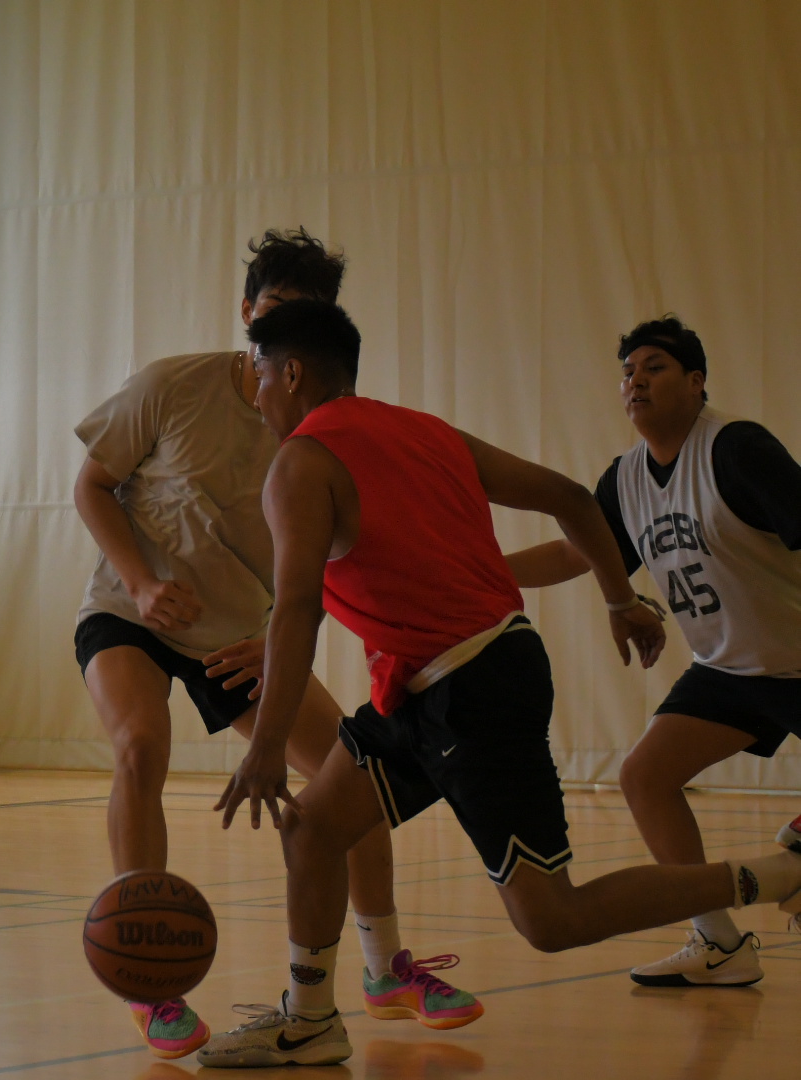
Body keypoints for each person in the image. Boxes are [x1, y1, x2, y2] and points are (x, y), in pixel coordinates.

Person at [198, 300, 801, 1069]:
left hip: (474, 683)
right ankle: (310, 1014)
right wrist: (619, 598)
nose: (255, 393)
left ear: (290, 373)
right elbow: (573, 502)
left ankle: (780, 873)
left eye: (257, 373)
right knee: (312, 827)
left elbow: (302, 612)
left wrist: (268, 743)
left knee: (552, 920)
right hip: (429, 682)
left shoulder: (299, 464)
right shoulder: (423, 429)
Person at [72, 231, 479, 1062]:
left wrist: (277, 639)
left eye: (305, 320)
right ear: (245, 313)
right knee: (140, 745)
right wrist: (143, 583)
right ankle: (152, 979)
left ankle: (384, 969)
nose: (282, 339)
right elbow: (91, 485)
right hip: (132, 613)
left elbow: (337, 559)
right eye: (271, 316)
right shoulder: (172, 385)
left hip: (243, 638)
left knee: (350, 777)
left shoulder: (331, 428)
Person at [505, 316, 801, 987]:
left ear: (696, 382)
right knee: (645, 776)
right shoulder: (627, 479)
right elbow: (577, 553)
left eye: (656, 366)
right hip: (729, 670)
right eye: (628, 370)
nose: (636, 378)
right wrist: (488, 571)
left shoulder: (736, 449)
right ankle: (718, 943)